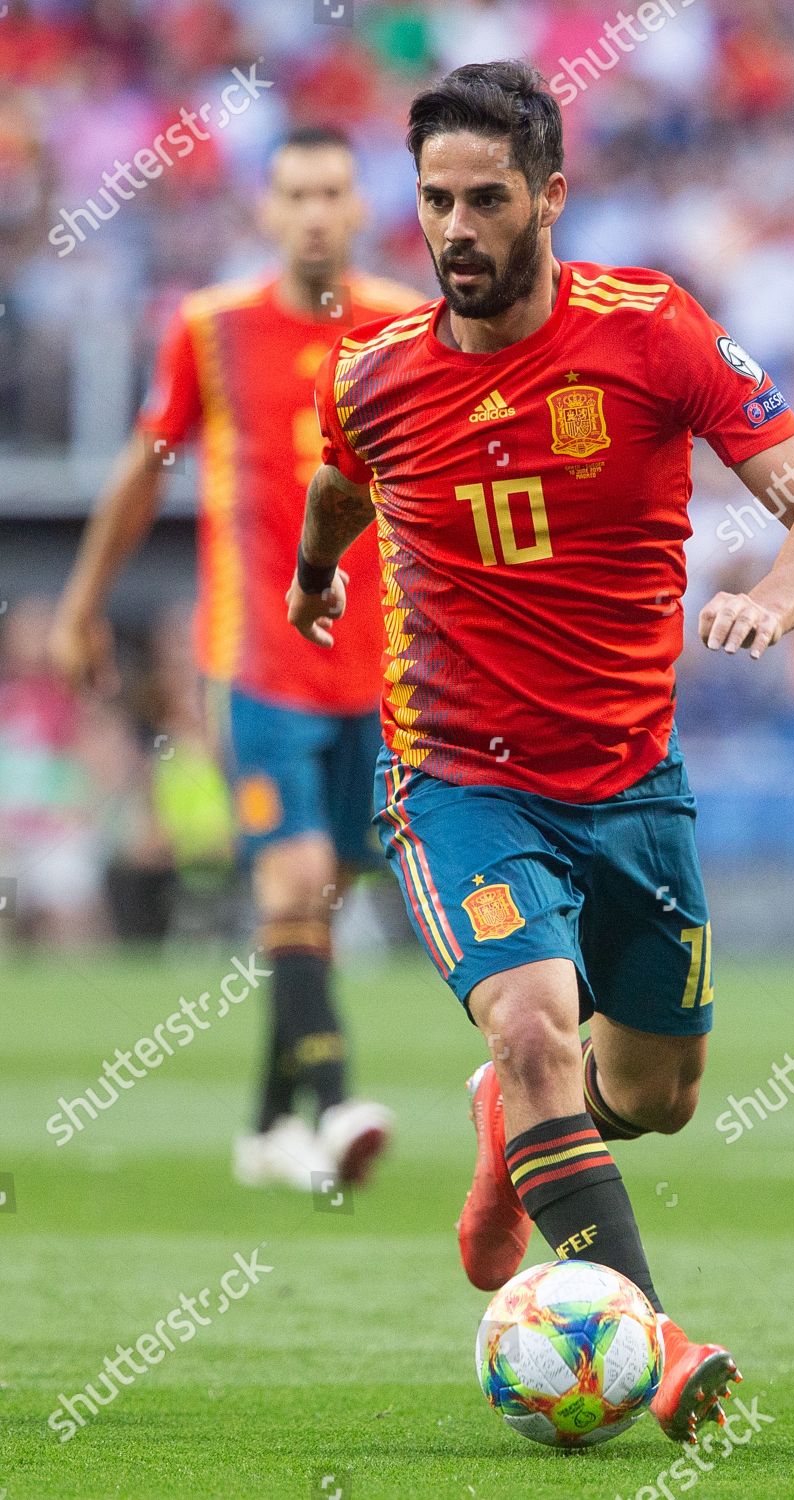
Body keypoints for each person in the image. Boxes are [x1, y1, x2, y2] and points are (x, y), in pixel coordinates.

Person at [287, 63, 794, 1442]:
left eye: (487, 198)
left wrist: (766, 602)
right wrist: (316, 577)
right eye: (434, 202)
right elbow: (337, 484)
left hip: (628, 780)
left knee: (652, 1098)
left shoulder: (654, 334)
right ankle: (653, 1343)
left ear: (551, 194)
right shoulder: (376, 378)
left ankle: (513, 1127)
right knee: (538, 1021)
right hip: (458, 780)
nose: (456, 230)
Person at [50, 125, 423, 1192]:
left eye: (332, 193)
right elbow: (141, 470)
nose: (313, 212)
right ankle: (338, 1101)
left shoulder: (406, 325)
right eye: (294, 193)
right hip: (254, 658)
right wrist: (82, 603)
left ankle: (266, 1124)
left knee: (324, 893)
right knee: (296, 879)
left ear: (359, 210)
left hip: (376, 667)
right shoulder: (210, 329)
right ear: (267, 210)